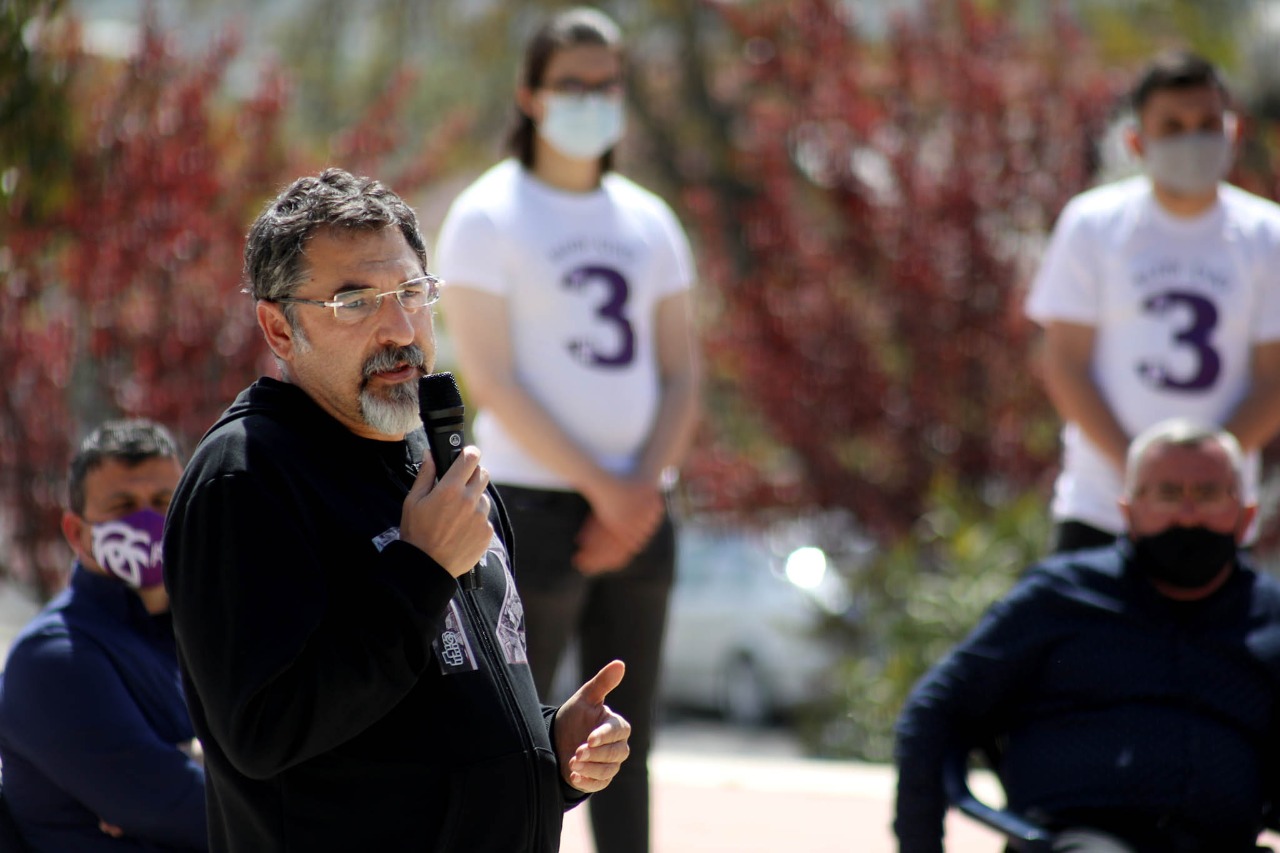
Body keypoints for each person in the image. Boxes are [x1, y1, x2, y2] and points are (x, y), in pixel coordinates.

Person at [162, 167, 631, 853]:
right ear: (280, 327)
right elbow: (265, 730)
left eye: (412, 292)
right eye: (355, 303)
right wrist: (421, 568)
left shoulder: (440, 461)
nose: (399, 326)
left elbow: (431, 714)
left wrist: (548, 746)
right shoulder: (248, 476)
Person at [434, 8, 700, 852]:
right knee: (521, 734)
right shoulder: (487, 212)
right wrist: (604, 489)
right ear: (531, 94)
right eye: (572, 84)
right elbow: (496, 382)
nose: (592, 100)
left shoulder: (649, 218)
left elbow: (683, 371)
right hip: (529, 509)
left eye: (606, 85)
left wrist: (637, 492)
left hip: (642, 513)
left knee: (628, 742)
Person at [894, 418, 1280, 853]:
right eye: (1168, 495)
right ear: (1128, 511)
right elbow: (936, 709)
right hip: (1084, 839)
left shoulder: (1271, 615)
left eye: (1207, 495)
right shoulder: (1059, 597)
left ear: (1245, 515)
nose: (1186, 515)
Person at [1025, 49, 1280, 554]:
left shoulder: (1267, 235)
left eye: (1207, 123)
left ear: (1233, 130)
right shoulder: (1093, 225)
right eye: (1174, 127)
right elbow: (1063, 363)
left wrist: (1203, 480)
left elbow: (1273, 377)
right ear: (1137, 141)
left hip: (1217, 515)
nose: (1194, 139)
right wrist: (1145, 475)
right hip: (1101, 508)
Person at [0, 419, 207, 852]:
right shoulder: (54, 658)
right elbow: (187, 809)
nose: (148, 519)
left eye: (163, 501)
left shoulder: (201, 636)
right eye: (123, 506)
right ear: (76, 532)